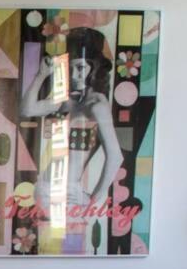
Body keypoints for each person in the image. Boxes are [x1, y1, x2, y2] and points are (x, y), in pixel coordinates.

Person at [20, 27, 124, 253]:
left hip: (69, 193)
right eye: (71, 68)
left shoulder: (97, 105)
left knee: (62, 252)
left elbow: (115, 156)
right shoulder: (68, 101)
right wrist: (41, 75)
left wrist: (94, 198)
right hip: (45, 188)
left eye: (81, 68)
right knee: (47, 252)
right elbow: (27, 109)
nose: (75, 75)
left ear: (93, 70)